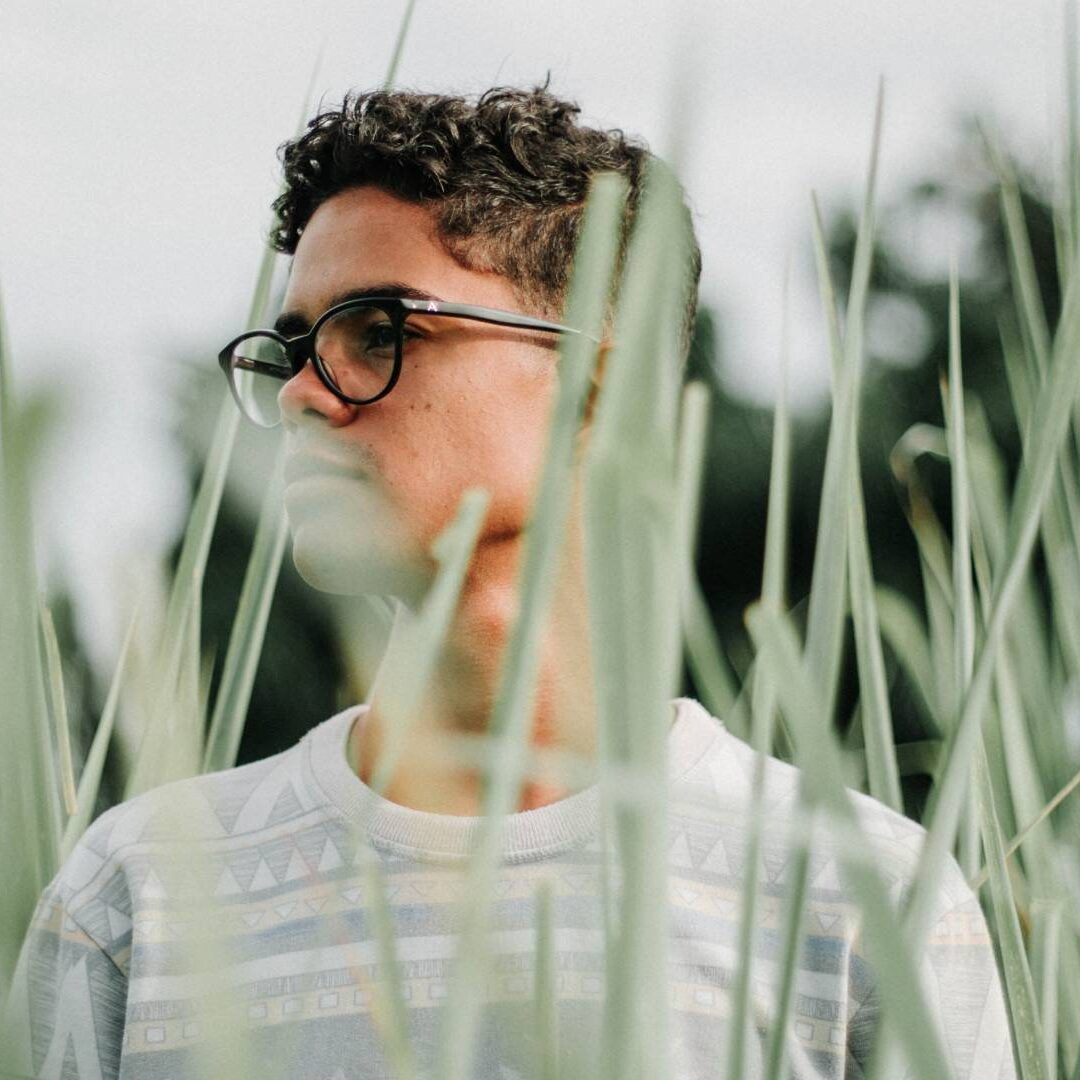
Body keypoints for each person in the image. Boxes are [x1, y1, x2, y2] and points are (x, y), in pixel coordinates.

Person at [11, 86, 1015, 1079]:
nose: (308, 395)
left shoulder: (860, 900)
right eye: (295, 349)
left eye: (379, 330)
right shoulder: (137, 899)